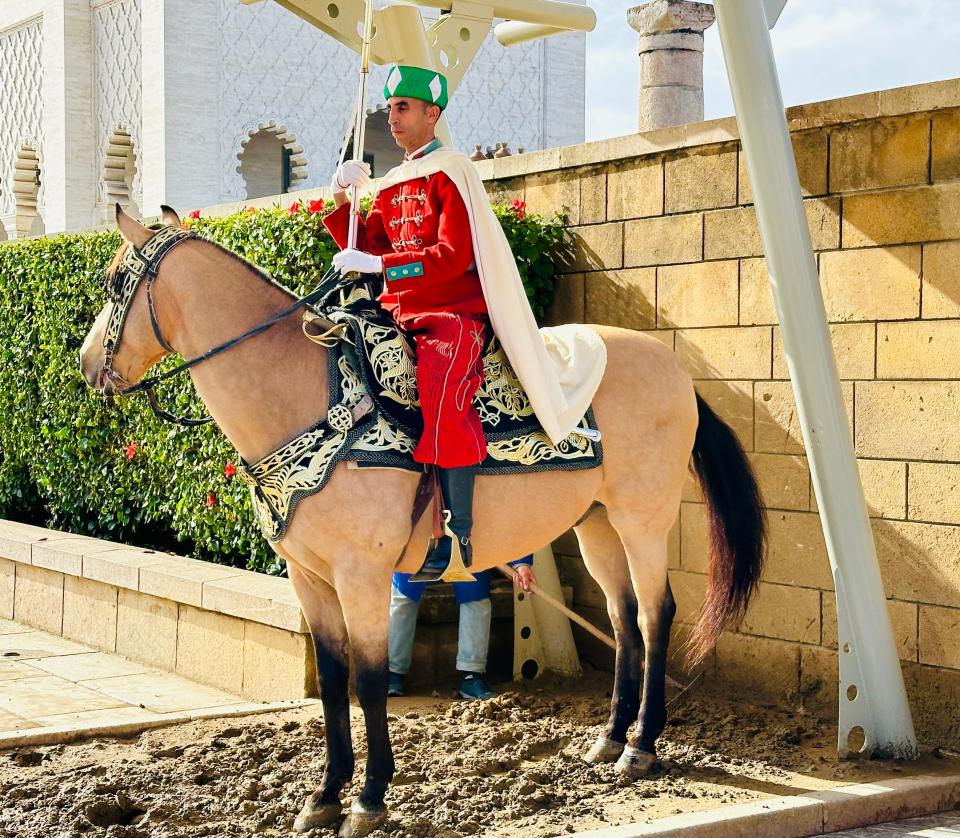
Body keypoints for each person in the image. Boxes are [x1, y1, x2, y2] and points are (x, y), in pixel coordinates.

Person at [324, 65, 487, 584]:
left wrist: (379, 267)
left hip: (450, 313)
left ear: (431, 114)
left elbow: (451, 255)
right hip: (397, 311)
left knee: (441, 393)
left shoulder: (451, 172)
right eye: (390, 107)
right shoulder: (394, 182)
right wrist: (343, 200)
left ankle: (452, 528)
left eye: (402, 108)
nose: (391, 117)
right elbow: (368, 244)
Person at [387, 556, 536, 700]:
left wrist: (521, 562)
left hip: (469, 539)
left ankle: (472, 676)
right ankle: (392, 673)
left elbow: (508, 529)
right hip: (420, 537)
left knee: (475, 594)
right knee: (403, 593)